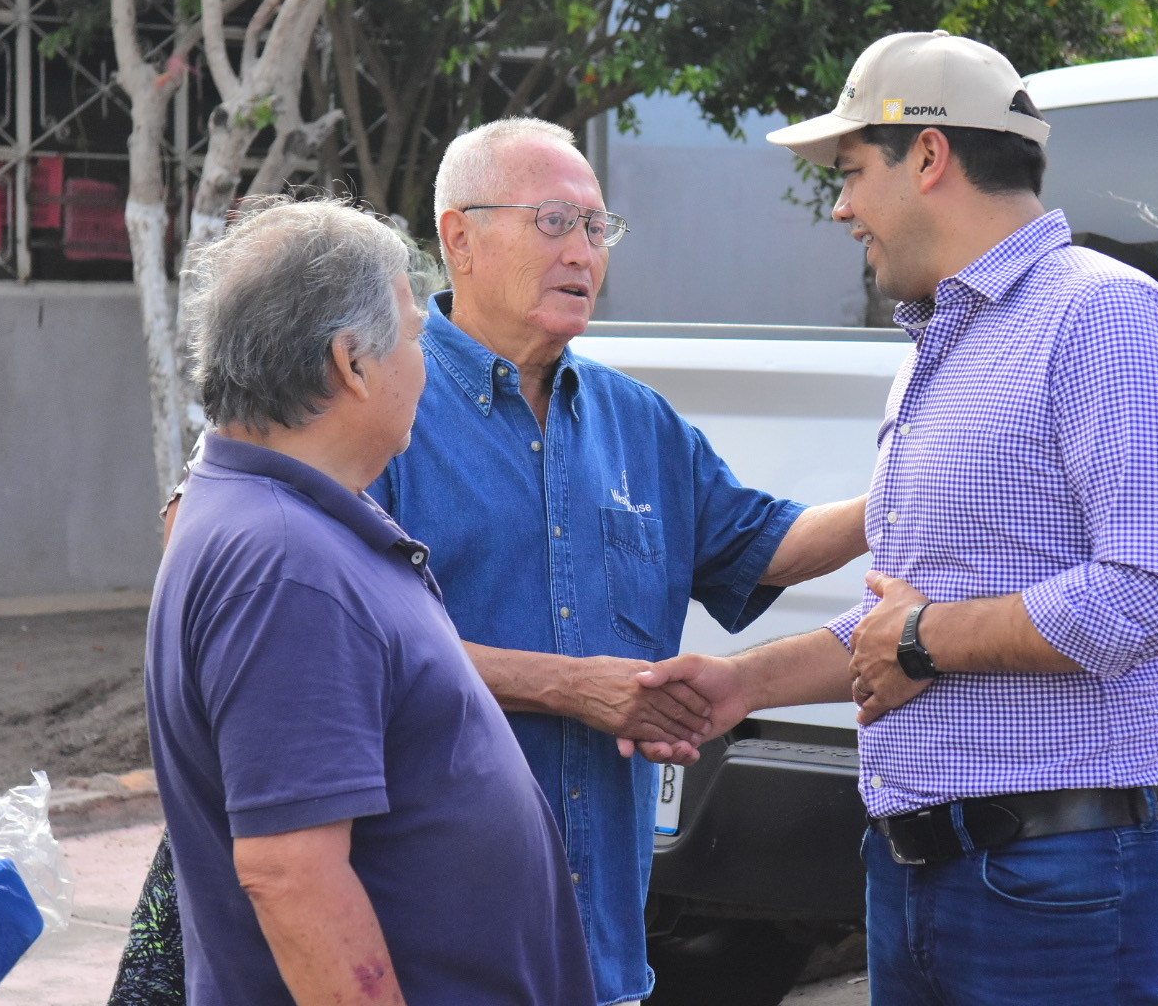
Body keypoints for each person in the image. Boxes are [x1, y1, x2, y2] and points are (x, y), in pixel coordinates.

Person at [118, 121, 869, 1006]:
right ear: (460, 237)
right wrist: (570, 686)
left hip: (599, 953)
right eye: (554, 221)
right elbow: (324, 686)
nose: (583, 251)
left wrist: (914, 489)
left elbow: (765, 546)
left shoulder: (635, 419)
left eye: (597, 227)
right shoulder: (363, 424)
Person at [639, 31, 1158, 1006]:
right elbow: (900, 625)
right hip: (917, 875)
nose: (841, 206)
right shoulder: (939, 345)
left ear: (930, 155)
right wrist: (739, 687)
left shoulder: (1102, 316)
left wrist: (925, 638)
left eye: (852, 172)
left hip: (1066, 887)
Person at [145, 197, 595, 1006]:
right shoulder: (285, 563)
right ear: (351, 363)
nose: (425, 364)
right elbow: (292, 874)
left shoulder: (285, 522)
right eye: (417, 337)